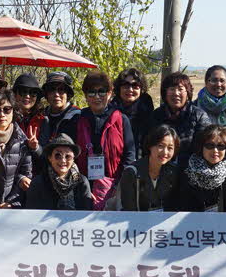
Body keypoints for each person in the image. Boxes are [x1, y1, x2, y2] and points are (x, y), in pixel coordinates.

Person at [76, 72, 135, 209]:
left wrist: (119, 186)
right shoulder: (78, 119)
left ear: (110, 94)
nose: (97, 97)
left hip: (114, 187)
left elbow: (130, 155)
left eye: (101, 91)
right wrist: (80, 184)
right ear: (85, 95)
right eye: (91, 92)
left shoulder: (121, 119)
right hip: (83, 186)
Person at [167, 125, 226, 212]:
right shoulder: (186, 165)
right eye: (210, 145)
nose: (215, 150)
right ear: (201, 146)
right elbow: (175, 200)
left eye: (221, 146)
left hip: (222, 218)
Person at [148, 72, 212, 164]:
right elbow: (149, 144)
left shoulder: (199, 115)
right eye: (172, 89)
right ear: (165, 93)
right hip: (162, 165)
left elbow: (206, 146)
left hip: (191, 167)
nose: (176, 93)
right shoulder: (156, 115)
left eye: (180, 89)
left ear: (187, 93)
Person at [25, 134, 93, 210]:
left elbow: (86, 212)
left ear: (73, 159)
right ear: (50, 158)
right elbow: (32, 213)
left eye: (68, 156)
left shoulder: (82, 182)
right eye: (58, 155)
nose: (63, 160)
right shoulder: (38, 183)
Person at [120, 125, 179, 211]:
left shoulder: (174, 171)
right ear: (150, 146)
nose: (165, 152)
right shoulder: (132, 172)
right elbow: (129, 209)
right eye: (160, 146)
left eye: (170, 148)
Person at [111, 68, 154, 156]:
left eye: (135, 85)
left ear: (141, 89)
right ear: (119, 88)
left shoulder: (149, 112)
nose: (130, 89)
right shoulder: (110, 111)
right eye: (126, 85)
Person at [36, 71, 81, 153]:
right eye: (52, 90)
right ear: (46, 94)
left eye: (61, 90)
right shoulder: (40, 116)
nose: (56, 94)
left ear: (68, 94)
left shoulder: (78, 117)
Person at [12, 73, 45, 153]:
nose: (27, 96)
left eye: (33, 93)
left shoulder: (43, 120)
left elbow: (46, 154)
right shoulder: (6, 117)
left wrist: (36, 148)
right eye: (23, 91)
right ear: (15, 94)